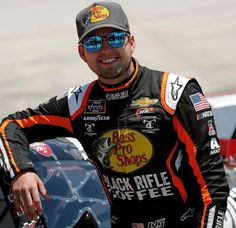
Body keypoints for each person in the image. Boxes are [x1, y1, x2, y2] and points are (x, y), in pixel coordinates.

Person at [0, 2, 229, 227]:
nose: (106, 49)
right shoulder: (78, 103)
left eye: (115, 38)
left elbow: (213, 185)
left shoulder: (175, 93)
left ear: (131, 42)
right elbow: (11, 125)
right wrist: (21, 171)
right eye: (94, 43)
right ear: (82, 53)